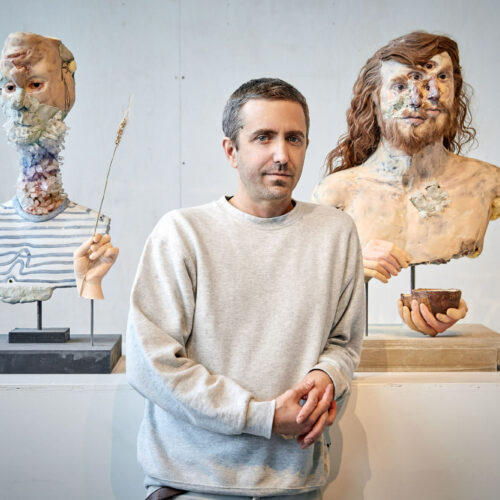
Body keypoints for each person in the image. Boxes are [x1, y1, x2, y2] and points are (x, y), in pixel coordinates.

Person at [126, 78, 364, 500]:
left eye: (294, 138)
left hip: (296, 484)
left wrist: (326, 375)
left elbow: (344, 344)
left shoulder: (337, 232)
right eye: (263, 137)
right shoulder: (182, 233)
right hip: (193, 485)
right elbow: (151, 365)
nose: (282, 155)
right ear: (231, 151)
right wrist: (263, 417)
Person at [312, 32, 498, 336]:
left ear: (455, 92)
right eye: (400, 86)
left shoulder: (487, 184)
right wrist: (349, 269)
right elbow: (303, 292)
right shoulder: (337, 194)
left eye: (441, 79)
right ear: (374, 98)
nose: (420, 99)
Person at [0, 32, 117, 303]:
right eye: (9, 88)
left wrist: (91, 282)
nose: (19, 103)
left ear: (67, 89)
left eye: (35, 85)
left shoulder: (91, 230)